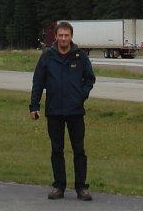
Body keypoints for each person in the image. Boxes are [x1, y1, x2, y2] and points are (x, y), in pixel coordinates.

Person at [29, 21, 96, 201]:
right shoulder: (47, 57)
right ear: (56, 36)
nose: (64, 38)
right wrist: (34, 106)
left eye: (67, 35)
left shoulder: (80, 56)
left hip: (75, 111)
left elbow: (90, 79)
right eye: (61, 35)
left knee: (79, 150)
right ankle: (59, 186)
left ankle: (81, 187)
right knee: (57, 150)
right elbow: (38, 83)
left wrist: (81, 95)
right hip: (54, 111)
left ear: (71, 37)